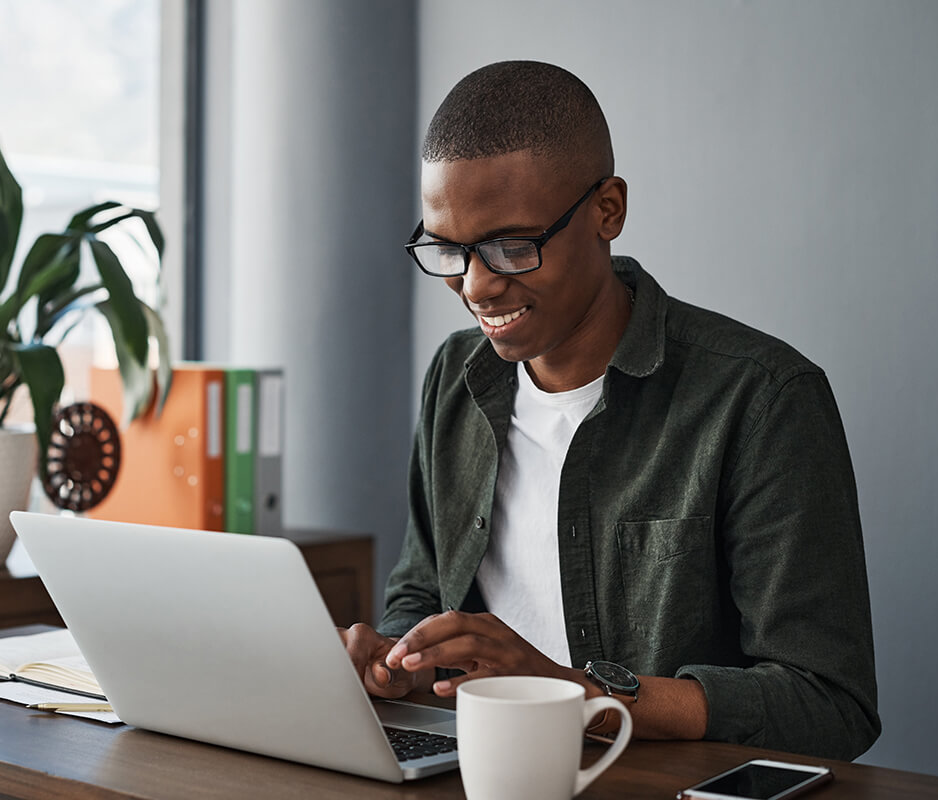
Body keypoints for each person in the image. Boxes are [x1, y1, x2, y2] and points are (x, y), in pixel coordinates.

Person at [340, 60, 880, 761]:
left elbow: (828, 703)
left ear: (608, 210)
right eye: (449, 249)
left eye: (512, 247)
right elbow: (421, 594)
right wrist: (395, 658)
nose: (476, 286)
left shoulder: (762, 398)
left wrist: (576, 694)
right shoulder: (456, 376)